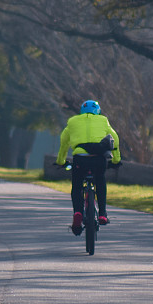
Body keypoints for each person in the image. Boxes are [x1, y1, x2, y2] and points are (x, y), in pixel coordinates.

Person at [56, 100, 121, 235]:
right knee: (100, 180)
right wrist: (116, 160)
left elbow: (64, 142)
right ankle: (102, 214)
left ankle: (78, 212)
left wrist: (61, 161)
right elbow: (114, 139)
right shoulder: (103, 120)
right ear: (98, 111)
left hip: (80, 159)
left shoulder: (72, 121)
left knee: (77, 186)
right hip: (99, 159)